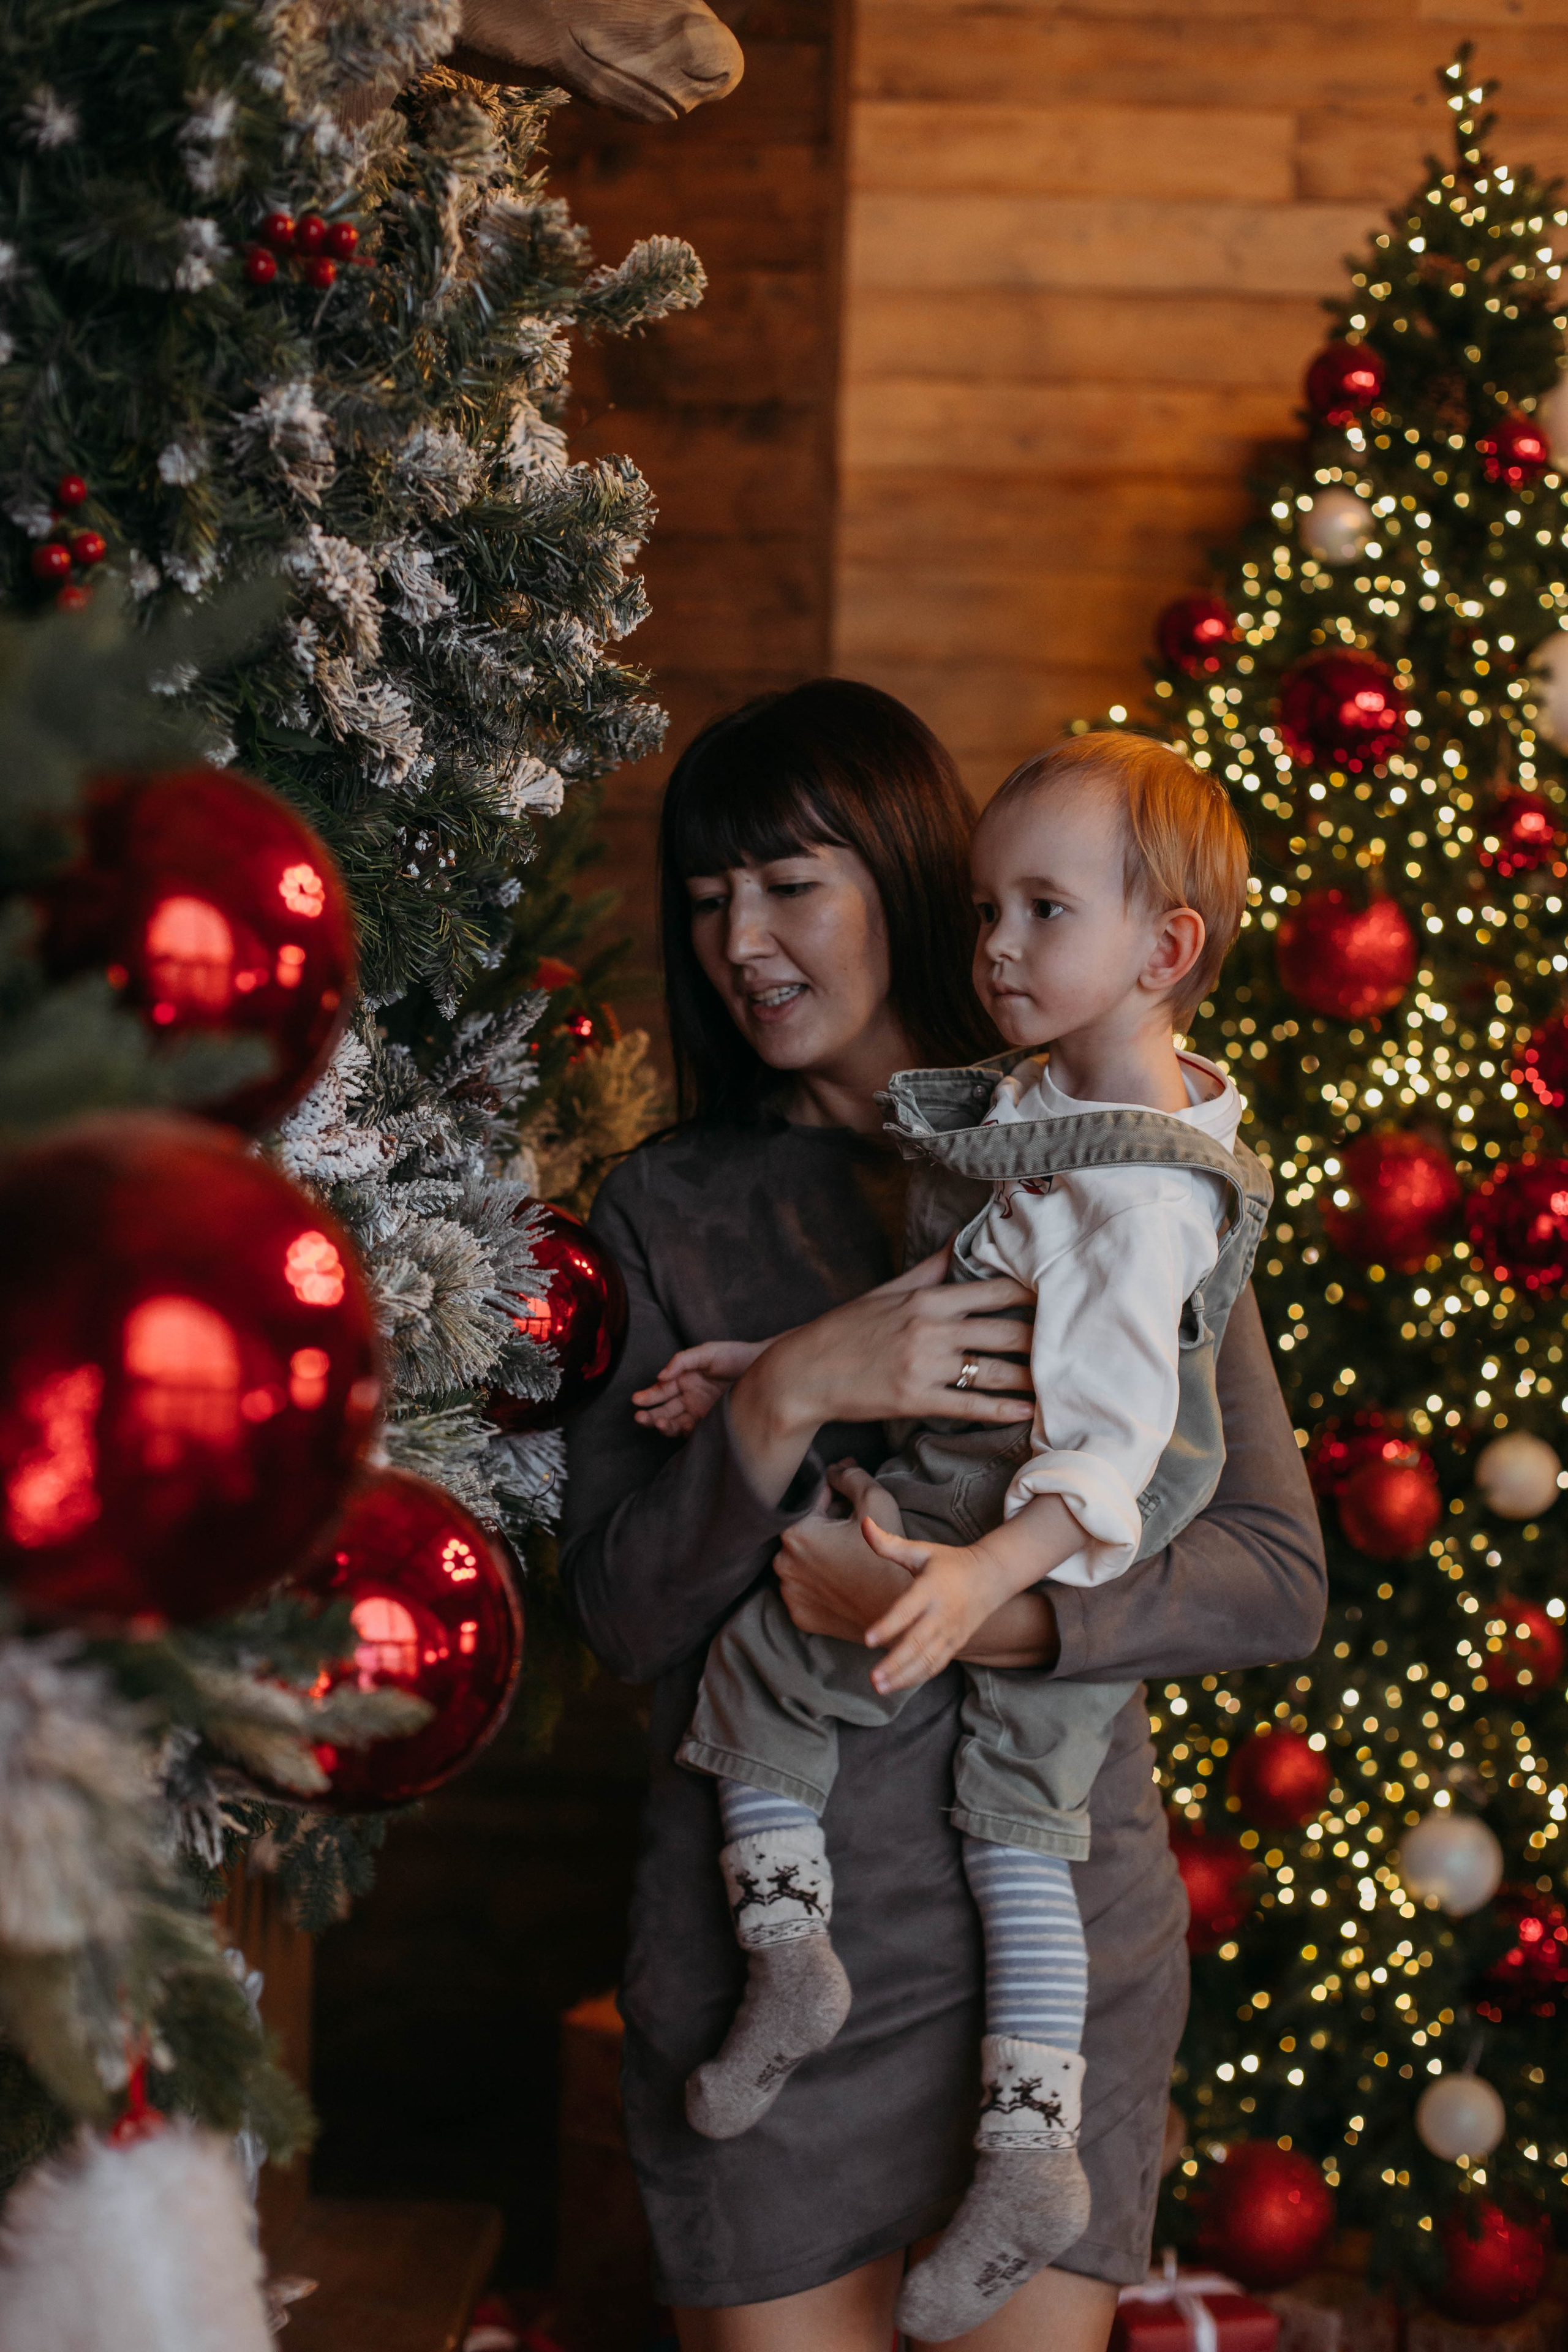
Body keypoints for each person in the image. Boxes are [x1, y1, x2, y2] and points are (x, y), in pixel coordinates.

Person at [559, 679, 1326, 2352]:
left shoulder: (1108, 1166)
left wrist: (984, 1601)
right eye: (706, 901)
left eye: (788, 885)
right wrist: (783, 1395)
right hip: (772, 1970)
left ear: (904, 878)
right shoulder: (663, 1209)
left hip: (1043, 1982)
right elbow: (619, 1613)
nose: (739, 941)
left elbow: (1273, 1575)